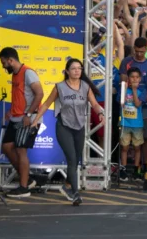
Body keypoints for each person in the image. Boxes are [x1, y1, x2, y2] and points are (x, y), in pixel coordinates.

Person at [31, 58, 104, 206]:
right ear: (67, 71)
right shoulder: (60, 87)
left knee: (76, 160)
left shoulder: (85, 87)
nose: (77, 71)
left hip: (79, 127)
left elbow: (94, 104)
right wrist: (35, 120)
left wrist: (101, 112)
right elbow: (46, 104)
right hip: (64, 126)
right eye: (74, 68)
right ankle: (75, 193)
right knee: (71, 159)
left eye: (79, 68)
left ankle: (67, 185)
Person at [0, 47, 44, 199]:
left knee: (20, 150)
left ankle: (24, 187)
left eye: (4, 63)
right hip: (15, 117)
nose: (4, 66)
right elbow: (20, 96)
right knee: (6, 147)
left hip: (28, 119)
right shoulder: (15, 74)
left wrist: (29, 114)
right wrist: (11, 111)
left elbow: (40, 93)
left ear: (11, 60)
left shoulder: (28, 72)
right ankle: (28, 179)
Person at [119, 67, 147, 181]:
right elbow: (121, 103)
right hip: (125, 123)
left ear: (140, 79)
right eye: (132, 77)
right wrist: (124, 90)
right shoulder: (124, 89)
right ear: (128, 78)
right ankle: (123, 169)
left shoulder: (142, 90)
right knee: (124, 147)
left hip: (137, 124)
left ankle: (137, 170)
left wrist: (135, 90)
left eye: (137, 77)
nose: (134, 79)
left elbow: (137, 104)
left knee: (137, 147)